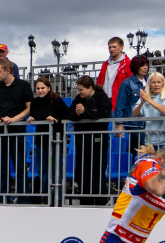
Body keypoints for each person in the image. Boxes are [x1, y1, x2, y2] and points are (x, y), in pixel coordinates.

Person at [0, 59, 34, 203]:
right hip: (0, 132)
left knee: (19, 166)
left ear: (8, 71)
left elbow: (29, 108)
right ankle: (4, 197)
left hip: (17, 131)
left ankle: (23, 198)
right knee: (2, 167)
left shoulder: (23, 86)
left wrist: (14, 119)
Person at [68, 76, 113, 205]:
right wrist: (77, 114)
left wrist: (85, 112)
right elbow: (69, 114)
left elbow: (102, 114)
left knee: (97, 169)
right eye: (78, 89)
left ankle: (100, 199)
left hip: (98, 139)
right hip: (81, 139)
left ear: (90, 88)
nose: (79, 92)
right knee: (81, 170)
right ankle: (85, 199)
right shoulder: (78, 99)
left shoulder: (101, 97)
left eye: (81, 90)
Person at [29, 76, 72, 202]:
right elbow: (36, 116)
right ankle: (44, 194)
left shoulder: (57, 100)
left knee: (55, 169)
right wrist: (32, 119)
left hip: (55, 142)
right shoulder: (34, 102)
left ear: (48, 88)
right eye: (38, 88)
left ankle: (56, 197)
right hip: (41, 141)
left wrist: (55, 119)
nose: (40, 90)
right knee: (42, 168)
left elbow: (67, 114)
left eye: (43, 88)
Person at [113, 55, 150, 165]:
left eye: (147, 65)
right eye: (142, 65)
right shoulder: (127, 83)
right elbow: (120, 104)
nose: (145, 68)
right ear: (136, 67)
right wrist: (119, 124)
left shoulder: (150, 82)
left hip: (147, 123)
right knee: (135, 153)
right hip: (133, 124)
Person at [132, 71, 165, 151]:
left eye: (159, 82)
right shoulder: (146, 96)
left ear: (163, 83)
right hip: (149, 142)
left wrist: (148, 100)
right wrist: (141, 103)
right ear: (149, 85)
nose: (156, 85)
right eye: (153, 82)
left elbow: (164, 110)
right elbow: (134, 113)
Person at [96, 37, 131, 106]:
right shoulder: (105, 64)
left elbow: (131, 85)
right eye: (110, 47)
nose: (111, 49)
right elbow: (99, 83)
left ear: (121, 48)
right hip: (104, 101)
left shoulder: (128, 64)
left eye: (114, 47)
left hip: (120, 102)